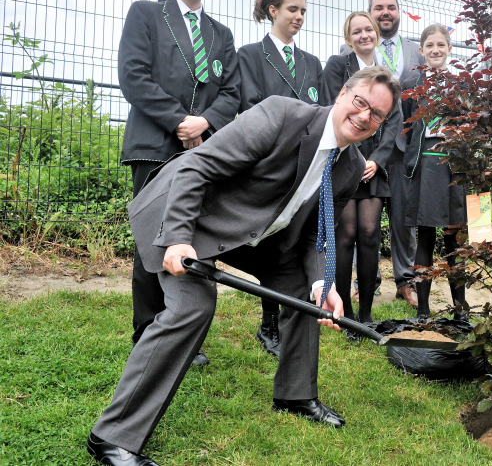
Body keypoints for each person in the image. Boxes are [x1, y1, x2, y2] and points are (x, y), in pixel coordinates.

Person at [86, 66, 400, 466]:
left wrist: (323, 283)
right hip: (186, 217)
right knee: (192, 306)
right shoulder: (281, 115)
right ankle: (112, 437)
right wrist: (179, 237)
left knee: (306, 292)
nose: (364, 117)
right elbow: (193, 167)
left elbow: (315, 234)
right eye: (361, 103)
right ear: (342, 94)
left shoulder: (352, 167)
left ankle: (295, 394)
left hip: (253, 234)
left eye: (377, 115)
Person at [118, 0, 241, 368]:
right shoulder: (146, 15)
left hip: (203, 150)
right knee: (151, 241)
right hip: (154, 145)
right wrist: (179, 122)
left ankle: (183, 334)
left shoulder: (221, 35)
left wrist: (204, 123)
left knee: (193, 239)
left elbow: (232, 92)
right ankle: (147, 333)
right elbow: (133, 76)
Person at [237, 0, 328, 358]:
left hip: (302, 164)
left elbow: (321, 110)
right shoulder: (250, 55)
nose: (299, 17)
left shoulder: (312, 63)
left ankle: (278, 320)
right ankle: (269, 321)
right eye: (293, 9)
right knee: (269, 242)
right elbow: (251, 104)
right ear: (272, 10)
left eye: (303, 11)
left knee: (289, 243)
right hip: (269, 162)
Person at [322, 12, 401, 322]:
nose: (364, 35)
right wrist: (355, 158)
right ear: (348, 37)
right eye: (357, 31)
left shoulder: (386, 73)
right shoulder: (337, 66)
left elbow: (394, 120)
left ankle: (366, 315)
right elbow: (333, 109)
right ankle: (346, 312)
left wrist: (377, 160)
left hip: (373, 166)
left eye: (368, 29)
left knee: (369, 233)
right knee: (345, 234)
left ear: (376, 34)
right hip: (345, 160)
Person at [363, 0, 424, 307]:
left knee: (403, 221)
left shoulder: (417, 54)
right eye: (378, 8)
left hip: (403, 152)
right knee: (365, 223)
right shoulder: (361, 51)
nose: (385, 13)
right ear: (370, 13)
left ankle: (406, 281)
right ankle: (367, 282)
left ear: (399, 13)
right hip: (368, 151)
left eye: (391, 7)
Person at [401, 24, 467, 318]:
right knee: (425, 236)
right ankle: (424, 311)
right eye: (429, 46)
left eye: (440, 45)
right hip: (425, 164)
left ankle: (460, 309)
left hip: (454, 166)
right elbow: (405, 124)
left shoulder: (462, 84)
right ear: (422, 50)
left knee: (455, 237)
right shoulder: (412, 82)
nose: (435, 51)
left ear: (449, 49)